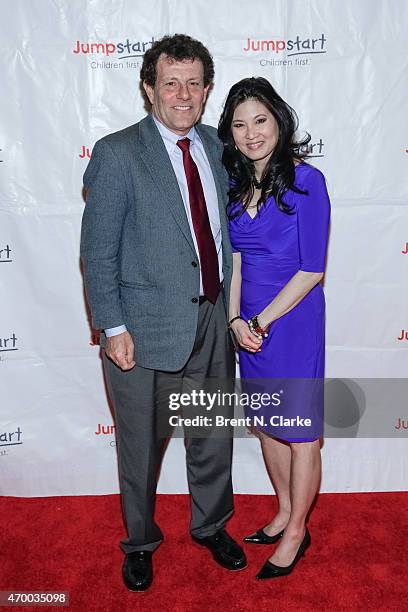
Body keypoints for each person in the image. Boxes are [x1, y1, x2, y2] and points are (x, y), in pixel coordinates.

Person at [80, 34, 246, 592]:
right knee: (139, 447)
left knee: (210, 436)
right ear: (149, 88)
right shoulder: (118, 152)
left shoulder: (220, 147)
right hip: (143, 330)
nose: (184, 94)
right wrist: (113, 326)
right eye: (171, 82)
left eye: (195, 82)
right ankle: (141, 541)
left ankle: (211, 526)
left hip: (211, 320)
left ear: (207, 90)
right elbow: (98, 251)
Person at [218, 77, 331, 579]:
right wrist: (236, 321)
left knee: (301, 432)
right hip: (250, 329)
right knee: (267, 425)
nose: (251, 133)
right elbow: (237, 264)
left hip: (292, 321)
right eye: (240, 124)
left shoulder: (308, 181)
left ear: (279, 122)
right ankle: (284, 510)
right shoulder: (237, 186)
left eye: (260, 120)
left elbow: (313, 269)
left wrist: (261, 320)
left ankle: (295, 533)